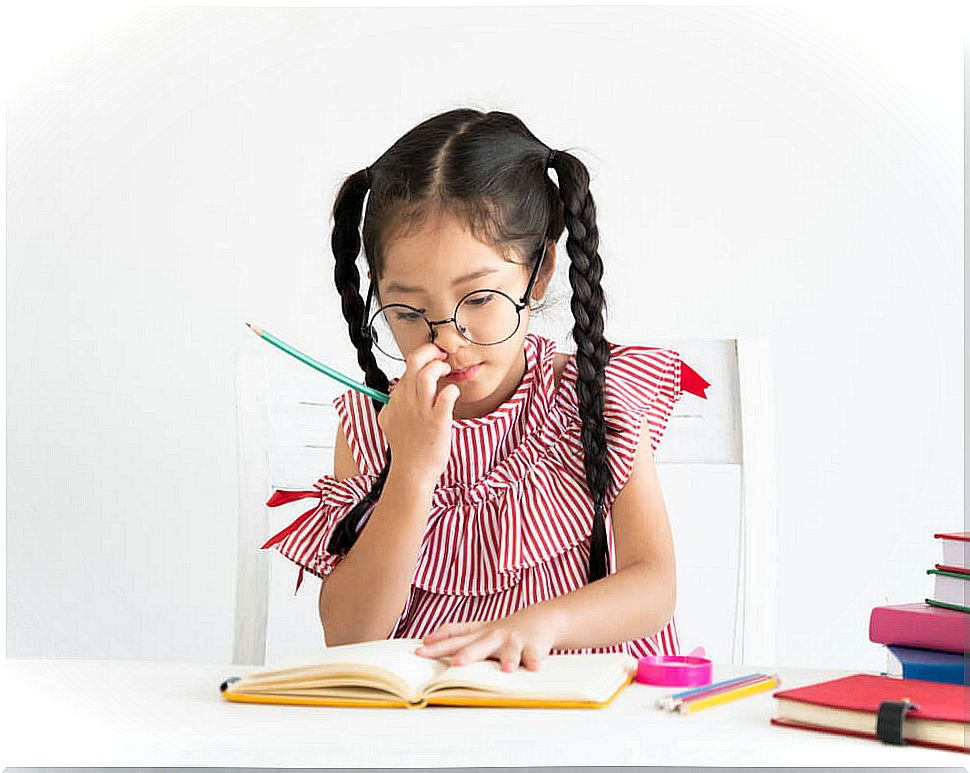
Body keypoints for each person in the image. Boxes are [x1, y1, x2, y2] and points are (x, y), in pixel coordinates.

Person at [260, 108, 710, 672]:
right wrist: (413, 471)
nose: (448, 339)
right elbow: (351, 636)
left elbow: (654, 586)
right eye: (408, 311)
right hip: (436, 721)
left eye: (478, 300)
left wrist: (538, 624)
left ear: (540, 270)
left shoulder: (596, 395)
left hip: (588, 715)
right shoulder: (377, 426)